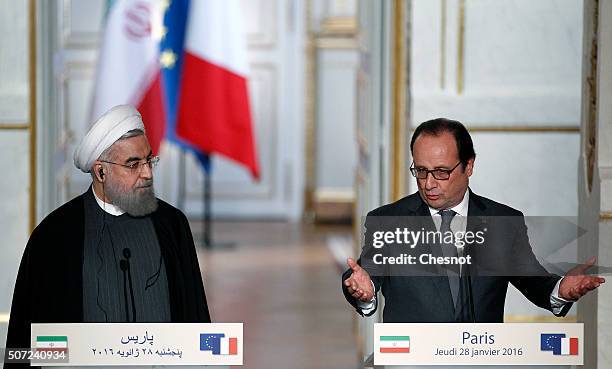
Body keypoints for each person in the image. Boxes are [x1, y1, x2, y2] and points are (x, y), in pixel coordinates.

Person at [342, 118, 605, 322]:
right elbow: (367, 276)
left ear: (469, 166)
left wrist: (560, 289)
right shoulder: (388, 220)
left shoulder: (503, 222)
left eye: (442, 172)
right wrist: (364, 293)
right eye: (421, 171)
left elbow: (533, 281)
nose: (429, 183)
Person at [5, 105, 210, 355]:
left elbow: (194, 317)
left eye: (149, 160)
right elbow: (29, 335)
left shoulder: (172, 224)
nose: (147, 173)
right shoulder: (55, 235)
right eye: (133, 165)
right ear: (101, 171)